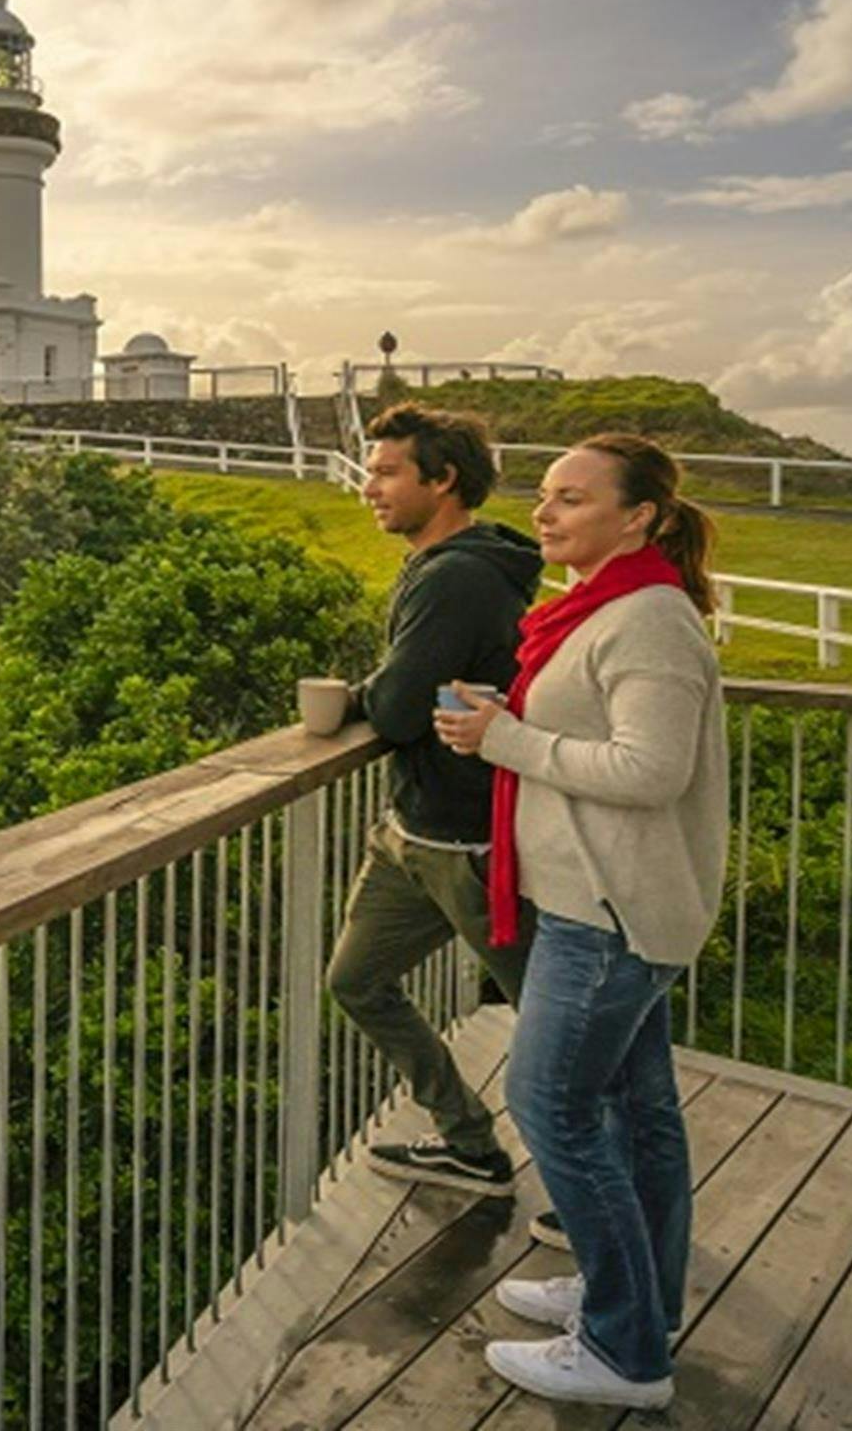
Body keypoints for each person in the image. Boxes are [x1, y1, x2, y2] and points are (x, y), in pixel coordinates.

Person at [435, 433, 726, 1412]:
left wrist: (505, 738)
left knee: (550, 1103)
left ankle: (621, 1349)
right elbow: (596, 732)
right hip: (603, 901)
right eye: (543, 496)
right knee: (638, 1117)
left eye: (569, 499)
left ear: (637, 516)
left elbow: (650, 771)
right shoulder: (608, 607)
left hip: (603, 910)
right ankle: (638, 1300)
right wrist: (501, 715)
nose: (543, 513)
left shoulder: (644, 619)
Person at [333, 404, 542, 1198]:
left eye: (387, 472)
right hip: (410, 834)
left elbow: (393, 708)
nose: (369, 489)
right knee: (357, 981)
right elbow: (402, 692)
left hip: (470, 844)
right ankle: (467, 1140)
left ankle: (602, 1205)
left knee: (556, 1026)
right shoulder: (440, 564)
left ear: (443, 478)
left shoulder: (456, 575)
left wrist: (368, 696)